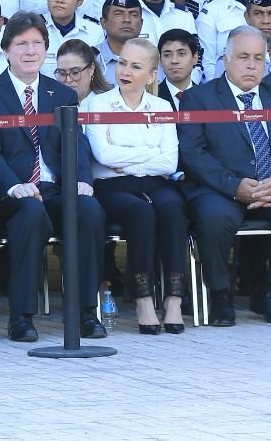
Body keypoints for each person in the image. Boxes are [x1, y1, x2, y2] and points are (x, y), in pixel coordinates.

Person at [177, 26, 271, 325]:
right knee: (214, 219)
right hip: (222, 188)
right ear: (225, 59)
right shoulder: (199, 98)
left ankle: (270, 292)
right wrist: (234, 186)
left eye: (258, 58)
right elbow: (193, 154)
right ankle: (220, 295)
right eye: (243, 57)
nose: (251, 65)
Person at [0, 12, 105, 342]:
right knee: (30, 212)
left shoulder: (62, 94)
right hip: (11, 192)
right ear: (6, 50)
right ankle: (21, 317)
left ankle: (86, 312)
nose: (30, 51)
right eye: (21, 44)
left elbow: (76, 143)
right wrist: (13, 186)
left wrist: (82, 179)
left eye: (37, 43)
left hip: (54, 187)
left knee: (89, 209)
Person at [83, 36, 187, 334]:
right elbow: (104, 156)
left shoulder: (162, 106)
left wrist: (128, 159)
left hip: (155, 183)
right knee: (141, 212)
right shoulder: (98, 103)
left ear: (151, 75)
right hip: (113, 185)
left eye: (135, 66)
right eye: (122, 63)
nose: (125, 71)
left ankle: (174, 300)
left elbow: (169, 162)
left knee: (173, 208)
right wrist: (148, 154)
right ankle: (143, 299)